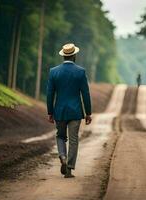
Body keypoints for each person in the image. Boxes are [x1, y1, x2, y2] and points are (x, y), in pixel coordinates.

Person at [46, 43, 92, 178]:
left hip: (59, 111)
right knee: (73, 139)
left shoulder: (54, 72)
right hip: (75, 111)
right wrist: (88, 112)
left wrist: (50, 112)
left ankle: (63, 157)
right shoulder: (80, 72)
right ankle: (69, 168)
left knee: (60, 136)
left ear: (63, 56)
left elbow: (50, 94)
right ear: (74, 55)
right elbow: (86, 93)